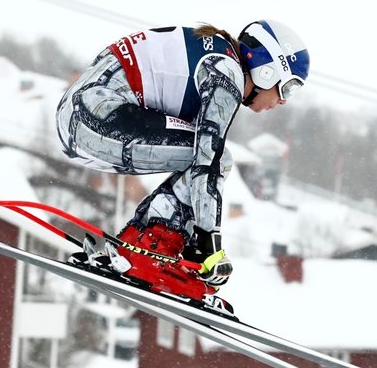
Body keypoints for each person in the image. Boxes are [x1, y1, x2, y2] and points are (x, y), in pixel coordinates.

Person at [55, 20, 309, 298]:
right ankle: (148, 248)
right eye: (289, 87)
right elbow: (207, 158)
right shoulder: (226, 70)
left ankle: (150, 245)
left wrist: (198, 242)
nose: (283, 100)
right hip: (96, 116)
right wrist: (210, 242)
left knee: (206, 157)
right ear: (268, 69)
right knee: (216, 159)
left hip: (82, 116)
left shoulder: (218, 57)